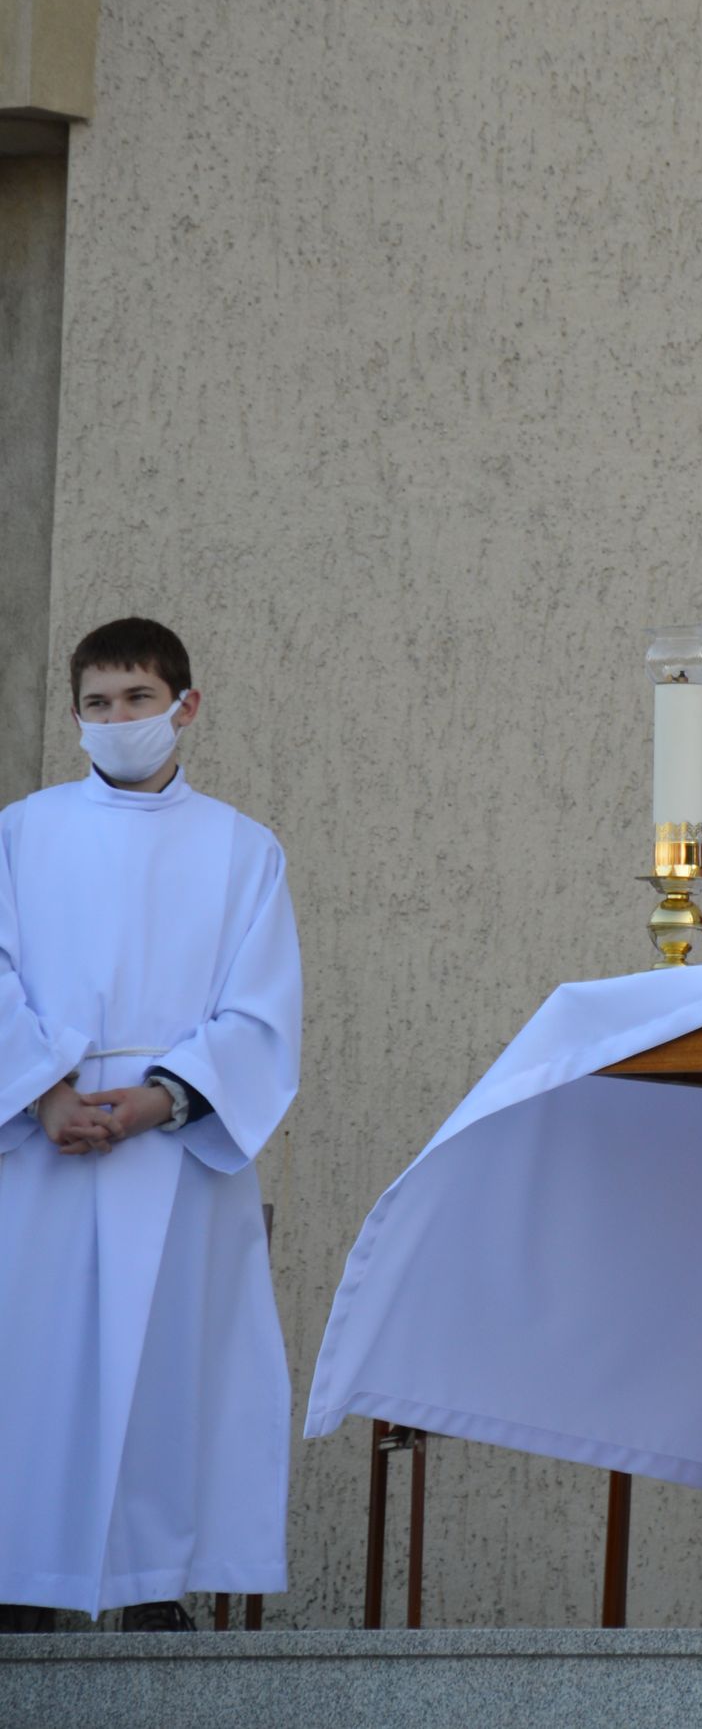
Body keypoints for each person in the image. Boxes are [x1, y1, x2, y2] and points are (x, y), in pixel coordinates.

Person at [0, 619, 301, 1633]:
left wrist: (161, 1097)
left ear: (185, 706)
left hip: (170, 1147)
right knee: (33, 1367)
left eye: (138, 698)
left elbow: (261, 1011)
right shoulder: (22, 833)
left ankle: (151, 1588)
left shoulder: (243, 849)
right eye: (98, 702)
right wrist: (43, 1089)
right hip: (40, 1141)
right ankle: (21, 1585)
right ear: (76, 714)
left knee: (170, 1367)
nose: (118, 717)